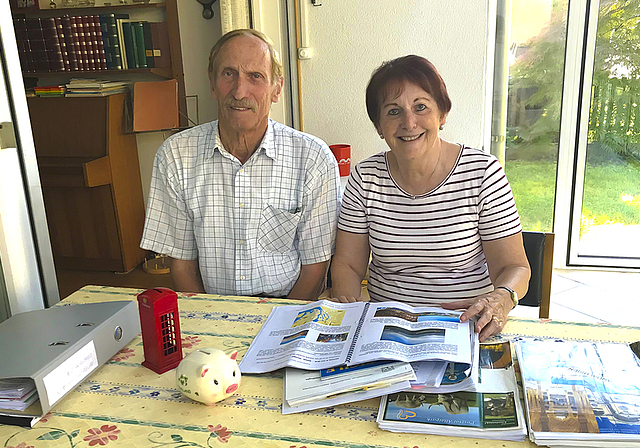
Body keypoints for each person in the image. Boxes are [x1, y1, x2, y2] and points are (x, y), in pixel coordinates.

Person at [330, 55, 530, 341]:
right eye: (393, 111)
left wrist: (501, 299)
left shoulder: (483, 172)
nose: (409, 123)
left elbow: (515, 267)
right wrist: (349, 307)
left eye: (420, 107)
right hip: (386, 331)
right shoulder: (365, 177)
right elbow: (348, 264)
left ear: (442, 114)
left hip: (467, 326)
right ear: (378, 125)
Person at [141, 29, 341, 300]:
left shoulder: (313, 158)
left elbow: (316, 266)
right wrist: (210, 321)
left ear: (276, 89)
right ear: (212, 83)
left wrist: (281, 326)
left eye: (255, 77)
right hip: (210, 305)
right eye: (228, 74)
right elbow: (182, 264)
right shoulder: (176, 154)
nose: (239, 91)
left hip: (287, 306)